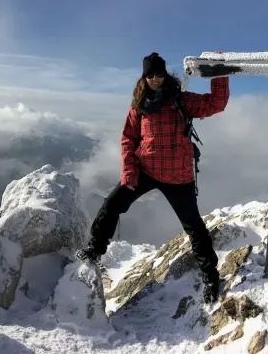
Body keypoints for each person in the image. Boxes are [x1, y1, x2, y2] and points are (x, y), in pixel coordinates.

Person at [77, 52, 230, 303]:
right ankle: (95, 250)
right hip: (145, 170)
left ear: (165, 74)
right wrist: (129, 170)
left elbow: (216, 104)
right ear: (144, 77)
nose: (156, 79)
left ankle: (211, 277)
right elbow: (128, 138)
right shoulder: (139, 106)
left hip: (178, 175)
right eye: (151, 75)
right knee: (112, 204)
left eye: (159, 74)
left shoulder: (181, 100)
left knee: (193, 227)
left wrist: (219, 71)